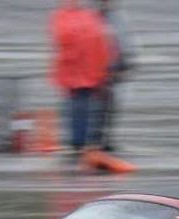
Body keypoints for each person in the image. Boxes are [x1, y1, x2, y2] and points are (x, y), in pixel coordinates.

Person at [49, 0, 111, 154]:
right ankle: (82, 140)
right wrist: (101, 72)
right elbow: (100, 46)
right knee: (84, 107)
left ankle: (78, 140)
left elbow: (61, 42)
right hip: (86, 72)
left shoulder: (62, 18)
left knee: (76, 107)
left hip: (74, 73)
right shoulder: (90, 19)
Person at [93, 0, 136, 151]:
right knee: (99, 105)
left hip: (113, 66)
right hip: (97, 67)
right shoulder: (92, 16)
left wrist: (127, 62)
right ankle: (96, 139)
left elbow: (125, 40)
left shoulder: (118, 16)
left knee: (111, 104)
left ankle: (105, 138)